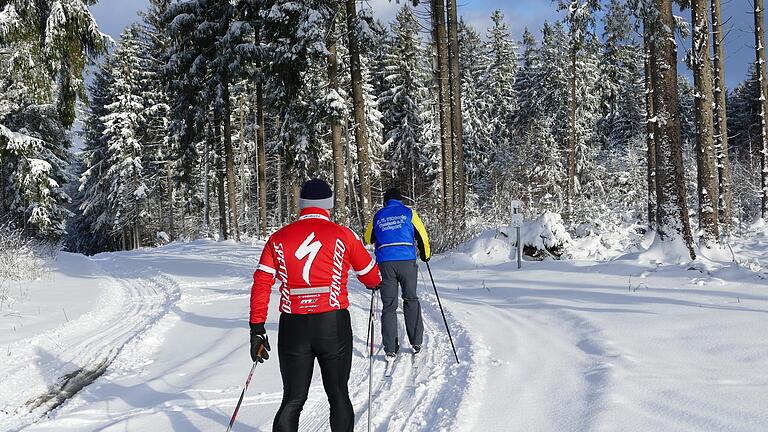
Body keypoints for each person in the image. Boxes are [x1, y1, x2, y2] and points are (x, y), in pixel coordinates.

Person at [249, 178, 382, 432]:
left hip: (293, 327)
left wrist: (257, 328)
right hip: (332, 324)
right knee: (338, 395)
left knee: (292, 400)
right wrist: (374, 283)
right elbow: (371, 275)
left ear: (301, 206)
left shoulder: (278, 239)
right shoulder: (344, 235)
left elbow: (261, 283)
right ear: (328, 206)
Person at [363, 188, 431, 362]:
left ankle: (390, 349)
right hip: (407, 261)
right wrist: (426, 254)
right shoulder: (409, 212)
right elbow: (422, 235)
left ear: (385, 201)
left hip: (386, 263)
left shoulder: (378, 216)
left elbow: (368, 238)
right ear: (400, 200)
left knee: (389, 305)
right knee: (411, 299)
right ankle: (416, 343)